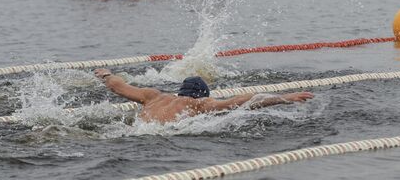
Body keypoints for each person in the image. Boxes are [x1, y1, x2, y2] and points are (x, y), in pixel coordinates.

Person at [94, 69, 314, 124]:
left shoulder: (153, 96)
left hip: (137, 129)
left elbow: (118, 86)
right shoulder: (201, 104)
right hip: (156, 137)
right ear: (203, 95)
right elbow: (242, 101)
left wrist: (105, 74)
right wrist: (285, 97)